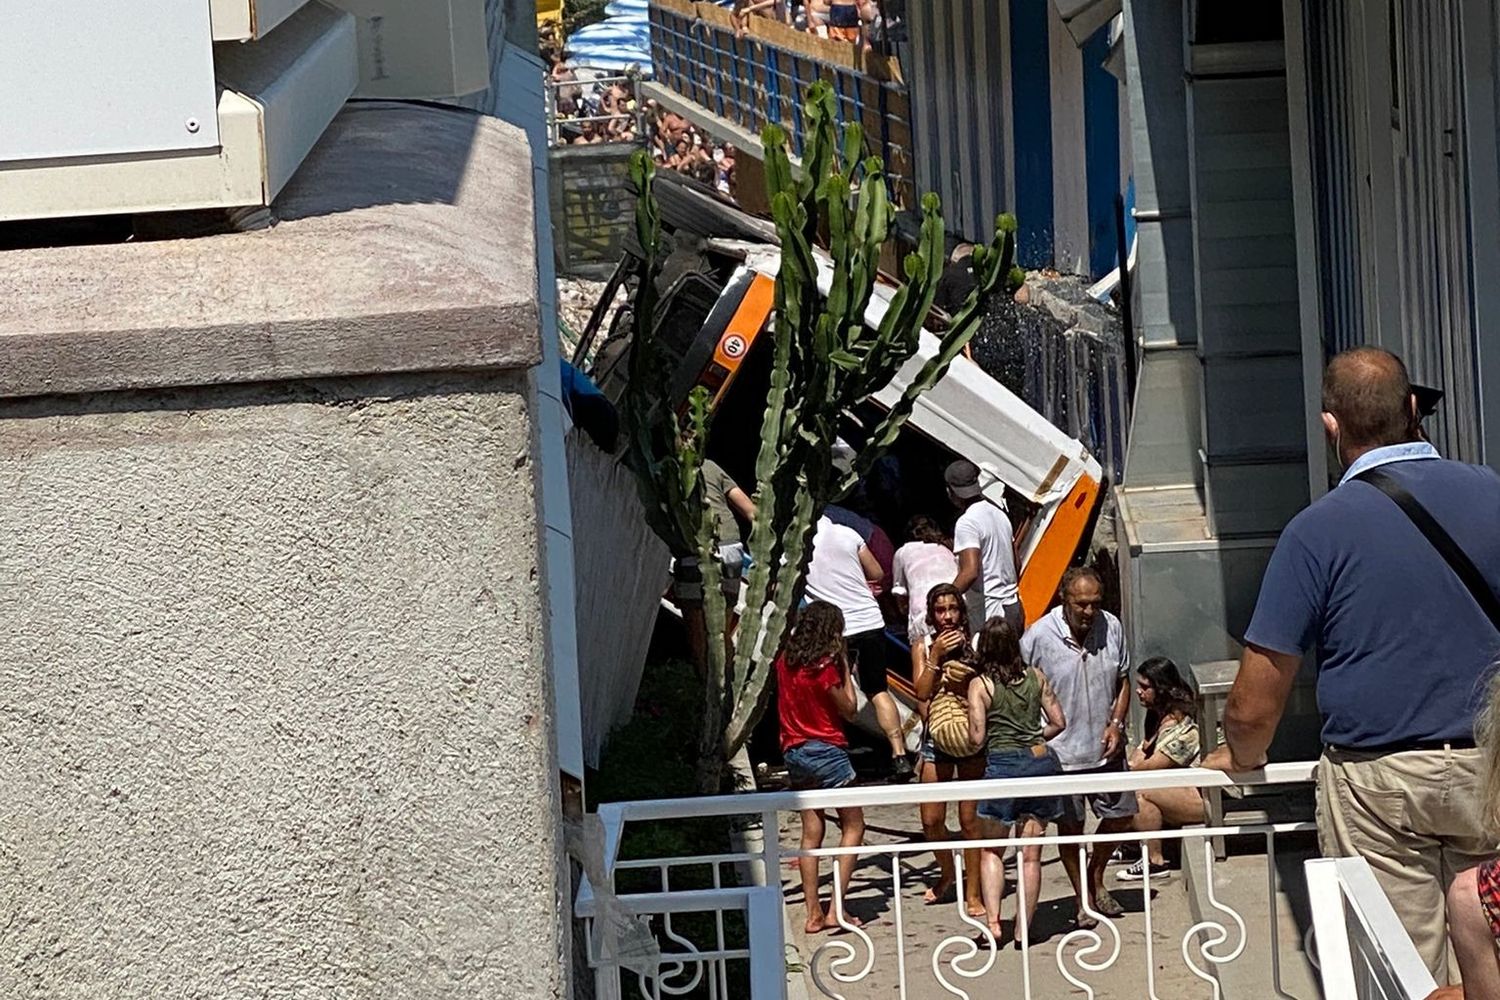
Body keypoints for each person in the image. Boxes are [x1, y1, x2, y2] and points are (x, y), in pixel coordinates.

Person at [1203, 347, 1500, 984]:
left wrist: (1240, 757)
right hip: (1492, 767)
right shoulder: (1492, 493)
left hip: (1379, 783)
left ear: (1330, 426)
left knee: (1399, 973)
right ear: (1413, 410)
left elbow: (1255, 703)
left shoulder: (1316, 531)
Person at [1024, 566, 1134, 926]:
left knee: (1121, 817)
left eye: (1095, 604)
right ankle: (1081, 899)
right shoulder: (1039, 637)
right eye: (1081, 604)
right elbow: (1023, 690)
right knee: (1070, 829)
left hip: (1105, 748)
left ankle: (1095, 874)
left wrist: (1117, 724)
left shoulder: (1112, 626)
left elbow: (1123, 681)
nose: (1089, 612)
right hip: (1062, 755)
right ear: (1064, 599)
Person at [967, 617, 1066, 943]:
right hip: (1039, 763)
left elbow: (977, 738)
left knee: (992, 851)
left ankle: (994, 923)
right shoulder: (1036, 677)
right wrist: (1036, 736)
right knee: (1031, 855)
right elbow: (1059, 721)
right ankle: (1024, 927)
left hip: (1003, 766)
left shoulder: (980, 685)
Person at [777, 601, 867, 933]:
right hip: (826, 749)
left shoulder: (786, 662)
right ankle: (836, 909)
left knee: (811, 831)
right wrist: (844, 665)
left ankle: (812, 911)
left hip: (794, 749)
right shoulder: (826, 666)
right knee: (854, 825)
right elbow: (850, 709)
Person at [805, 513, 915, 781]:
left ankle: (837, 752)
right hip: (869, 620)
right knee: (878, 689)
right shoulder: (847, 534)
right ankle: (899, 755)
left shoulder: (799, 544)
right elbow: (877, 572)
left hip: (834, 627)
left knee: (834, 688)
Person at [912, 584, 985, 916]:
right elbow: (922, 692)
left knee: (970, 820)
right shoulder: (923, 646)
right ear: (932, 614)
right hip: (936, 738)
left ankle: (973, 892)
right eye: (940, 610)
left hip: (969, 735)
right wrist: (936, 657)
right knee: (931, 818)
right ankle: (947, 872)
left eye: (952, 609)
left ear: (962, 611)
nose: (947, 616)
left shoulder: (978, 642)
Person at [1117, 658, 1203, 883]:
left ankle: (1154, 861)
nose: (1138, 691)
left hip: (1204, 798)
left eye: (1145, 687)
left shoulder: (1183, 725)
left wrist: (1130, 766)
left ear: (1162, 688)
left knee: (1141, 790)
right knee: (1139, 793)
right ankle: (1137, 848)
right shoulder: (1156, 716)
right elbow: (1140, 756)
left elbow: (1149, 767)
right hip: (1180, 790)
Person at [946, 459, 1023, 632]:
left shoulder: (967, 522)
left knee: (987, 659)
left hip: (990, 614)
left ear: (950, 491)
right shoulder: (999, 514)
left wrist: (945, 597)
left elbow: (970, 572)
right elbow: (1016, 563)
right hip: (1013, 605)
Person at [892, 515, 959, 653]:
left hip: (924, 615)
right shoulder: (948, 549)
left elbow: (900, 595)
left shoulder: (902, 552)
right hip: (955, 610)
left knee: (925, 656)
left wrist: (904, 614)